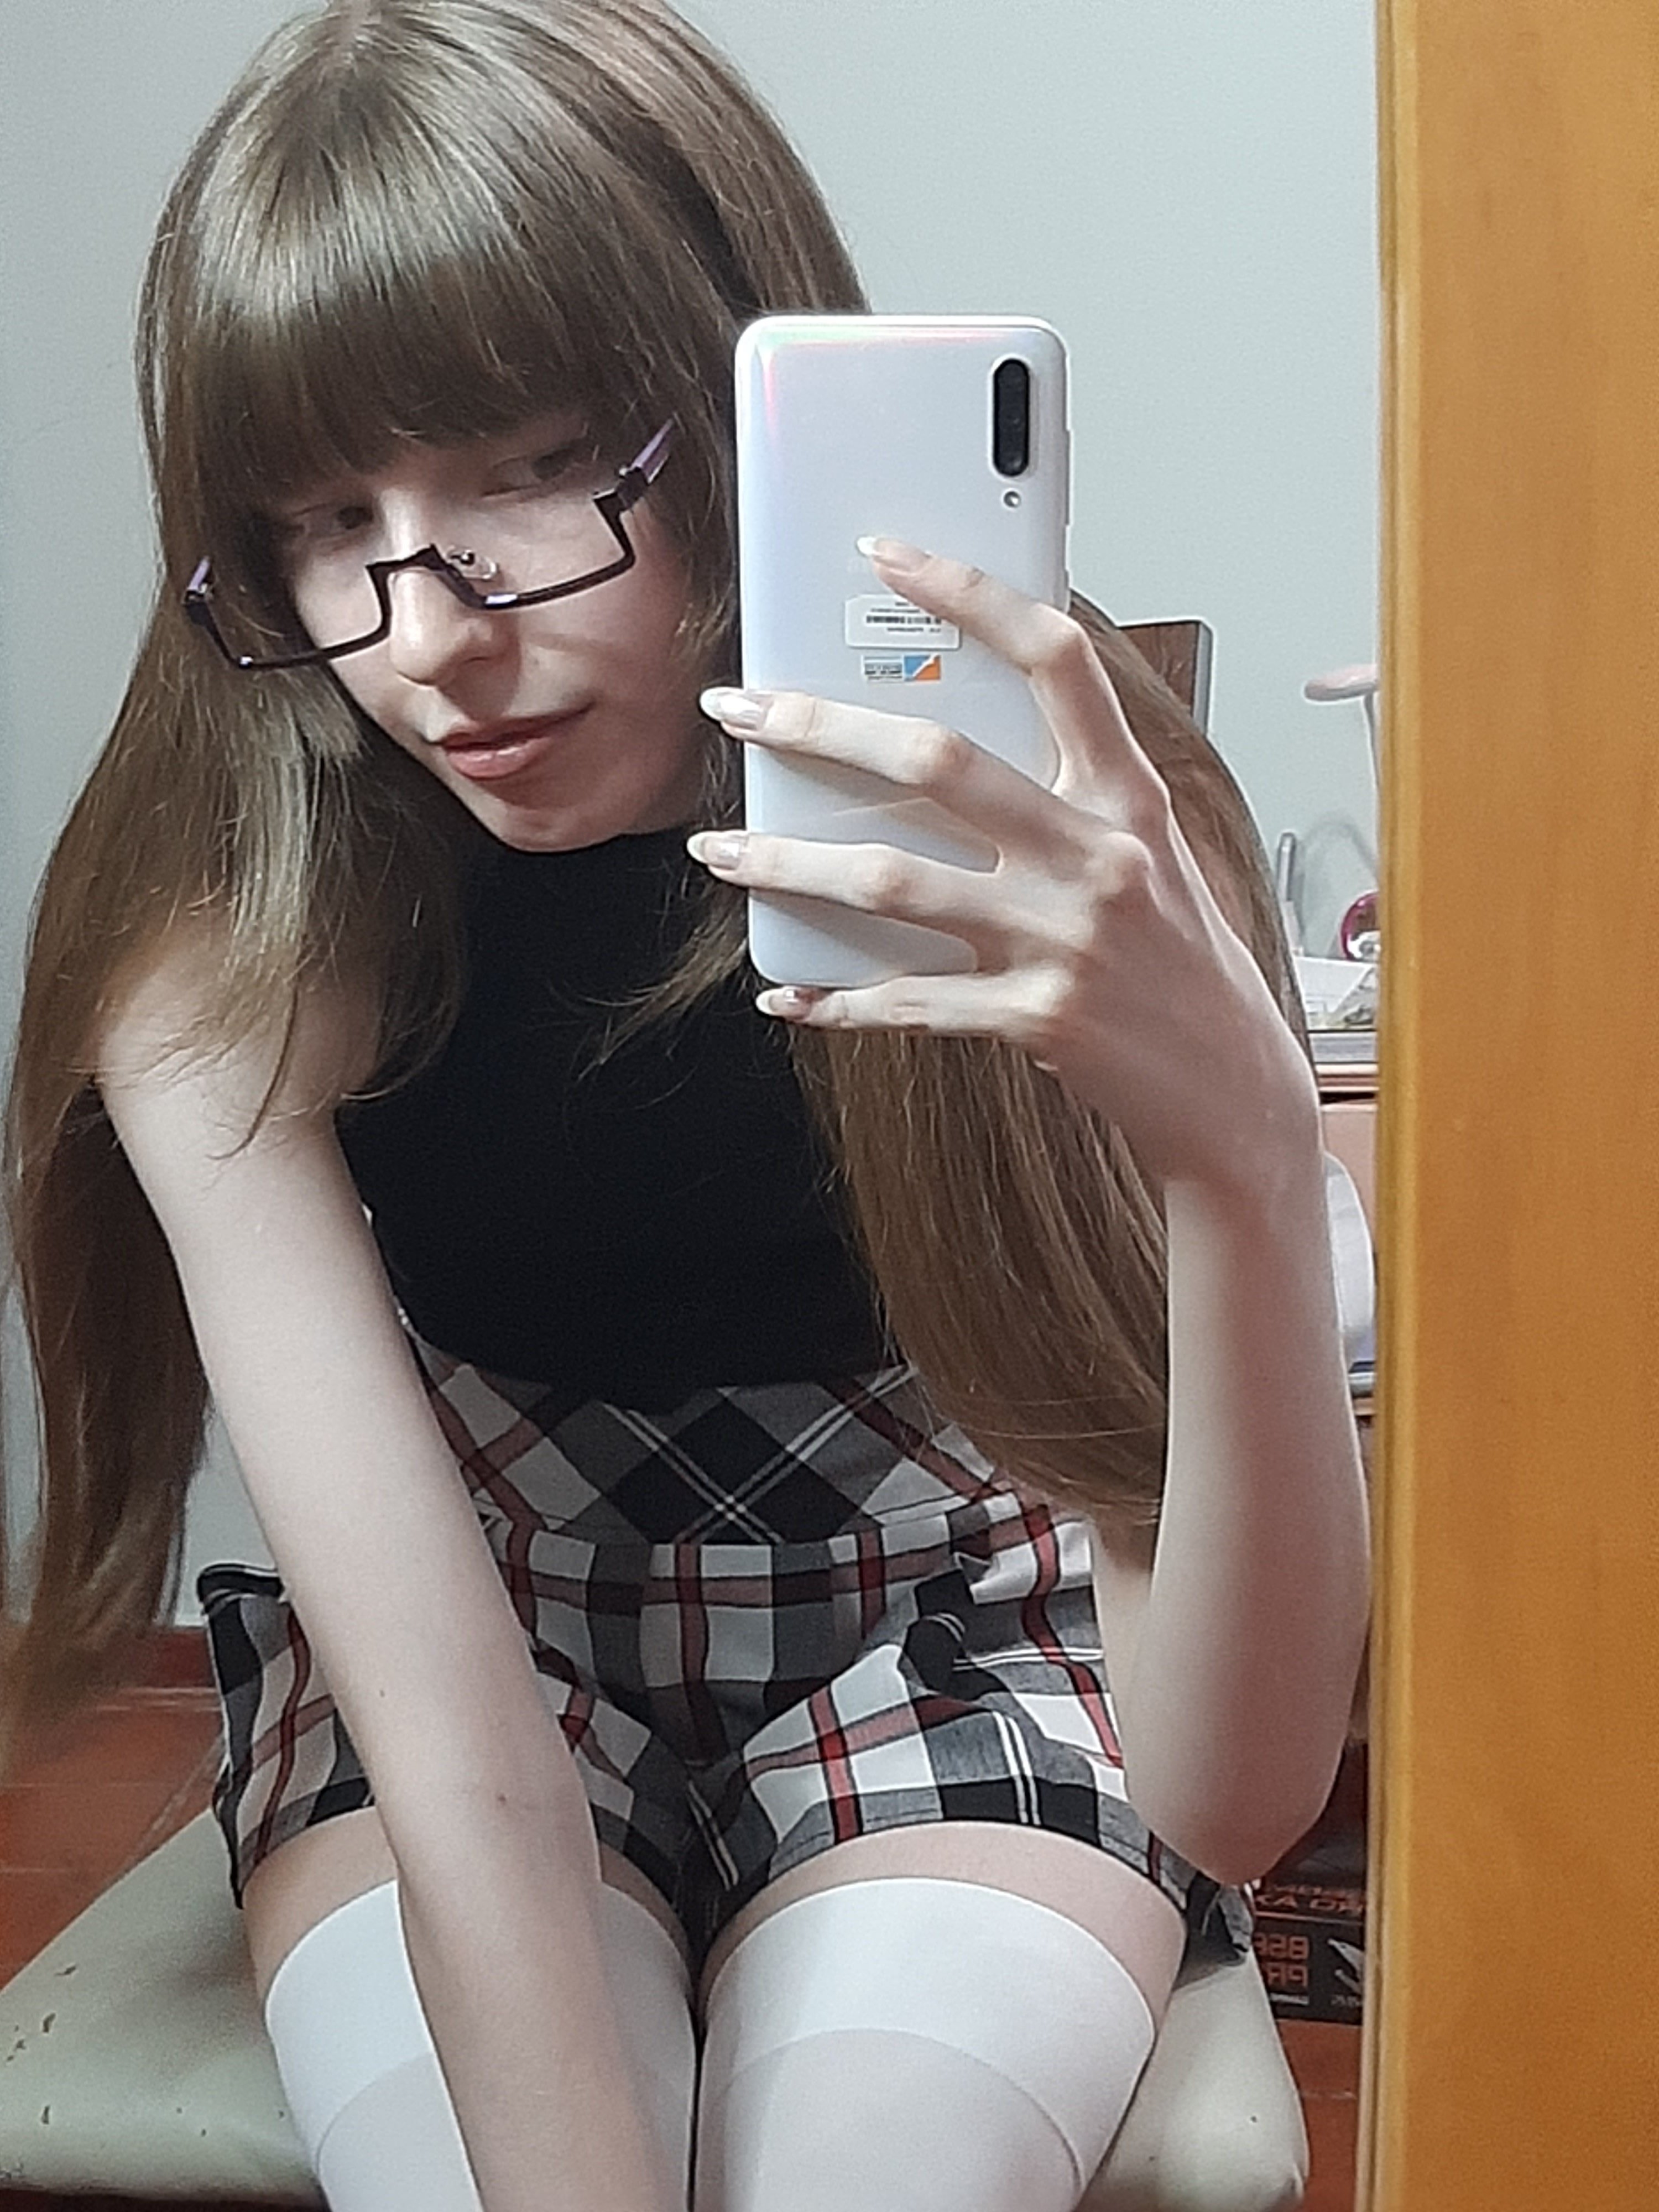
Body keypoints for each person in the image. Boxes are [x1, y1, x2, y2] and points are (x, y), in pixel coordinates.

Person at [0, 3, 1370, 2208]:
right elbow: (460, 1750)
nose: (423, 636)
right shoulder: (244, 929)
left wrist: (1244, 1152)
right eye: (325, 519)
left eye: (534, 468)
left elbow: (1237, 1792)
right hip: (486, 1621)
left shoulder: (1045, 818)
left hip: (954, 1613)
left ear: (736, 415)